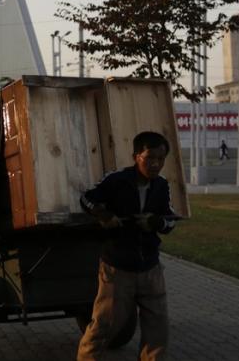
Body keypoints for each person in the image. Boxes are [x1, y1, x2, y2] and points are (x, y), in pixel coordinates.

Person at [77, 131, 177, 361]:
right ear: (135, 156)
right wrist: (103, 214)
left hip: (150, 268)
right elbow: (86, 199)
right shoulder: (116, 180)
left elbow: (169, 221)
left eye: (161, 159)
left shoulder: (161, 186)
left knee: (158, 330)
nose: (155, 164)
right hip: (117, 268)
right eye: (149, 158)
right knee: (104, 327)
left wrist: (156, 222)